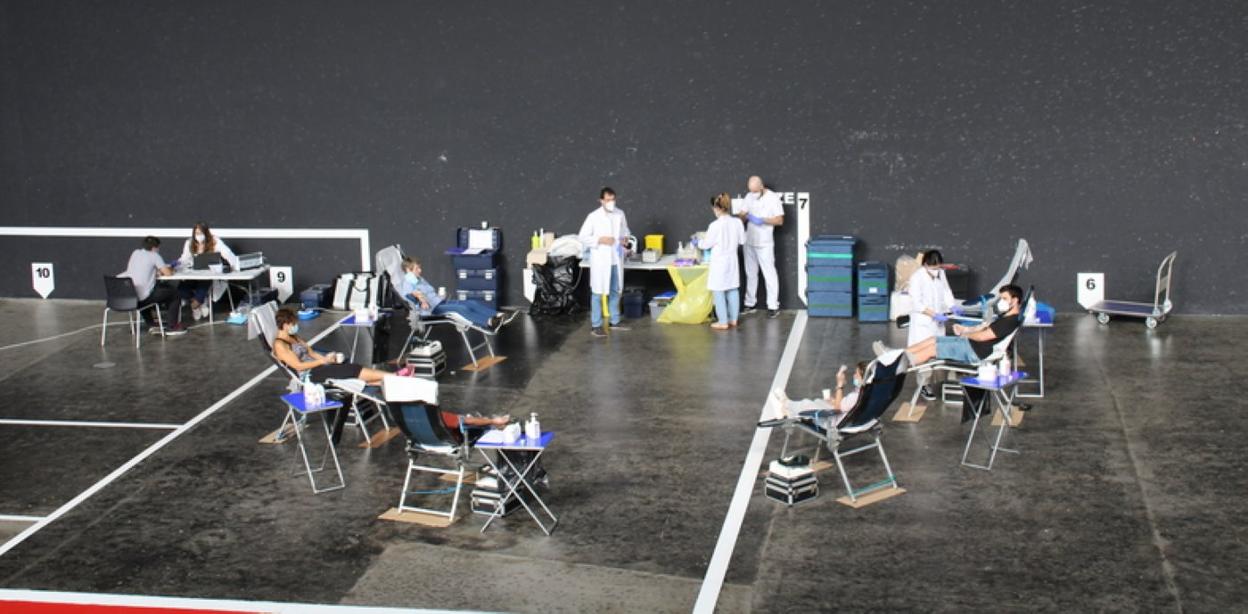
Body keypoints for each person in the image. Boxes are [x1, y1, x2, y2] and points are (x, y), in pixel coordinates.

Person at [875, 285, 1024, 367]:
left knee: (932, 350)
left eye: (1004, 298)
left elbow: (982, 337)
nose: (1001, 302)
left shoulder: (1009, 321)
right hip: (971, 344)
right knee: (933, 339)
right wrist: (966, 329)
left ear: (1015, 300)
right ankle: (894, 355)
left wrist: (965, 334)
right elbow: (984, 328)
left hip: (976, 352)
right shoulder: (1005, 316)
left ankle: (894, 366)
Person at [272, 307, 387, 385]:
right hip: (309, 375)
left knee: (347, 365)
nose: (296, 326)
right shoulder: (280, 345)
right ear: (285, 325)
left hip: (317, 367)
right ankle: (391, 377)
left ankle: (385, 381)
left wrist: (327, 359)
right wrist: (322, 362)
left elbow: (312, 353)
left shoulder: (294, 337)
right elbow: (299, 366)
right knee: (351, 370)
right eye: (293, 324)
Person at [398, 256, 514, 330]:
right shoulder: (407, 283)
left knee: (471, 303)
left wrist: (439, 296)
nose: (420, 270)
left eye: (419, 268)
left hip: (439, 302)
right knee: (461, 309)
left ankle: (498, 315)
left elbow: (427, 292)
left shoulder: (418, 279)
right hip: (432, 310)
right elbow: (413, 294)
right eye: (417, 269)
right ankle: (489, 322)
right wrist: (422, 301)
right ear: (408, 270)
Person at [578, 186, 632, 337]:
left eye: (613, 199)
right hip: (601, 260)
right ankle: (596, 325)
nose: (611, 202)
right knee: (597, 292)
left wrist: (625, 238)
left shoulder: (620, 214)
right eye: (608, 200)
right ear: (601, 200)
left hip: (615, 259)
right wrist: (600, 239)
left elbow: (625, 230)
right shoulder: (593, 216)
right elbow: (582, 236)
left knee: (615, 291)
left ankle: (615, 321)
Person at [907, 250, 958, 400]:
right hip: (923, 323)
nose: (936, 270)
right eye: (933, 268)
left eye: (938, 267)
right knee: (922, 355)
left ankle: (933, 380)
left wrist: (952, 306)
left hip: (937, 323)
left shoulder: (941, 273)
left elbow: (946, 291)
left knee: (936, 352)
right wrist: (933, 314)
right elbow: (917, 303)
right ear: (925, 264)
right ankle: (923, 385)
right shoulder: (917, 278)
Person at [737, 175, 784, 318]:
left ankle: (773, 306)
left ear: (762, 186)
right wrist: (744, 216)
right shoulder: (749, 196)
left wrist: (762, 220)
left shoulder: (773, 198)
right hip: (749, 241)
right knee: (750, 273)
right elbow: (741, 215)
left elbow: (779, 220)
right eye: (751, 191)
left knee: (769, 273)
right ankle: (750, 303)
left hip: (764, 243)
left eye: (755, 191)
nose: (753, 194)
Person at [121, 236, 186, 335]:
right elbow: (168, 273)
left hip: (132, 297)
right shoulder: (154, 255)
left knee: (144, 292)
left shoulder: (135, 253)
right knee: (174, 293)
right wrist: (171, 269)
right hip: (144, 298)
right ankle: (173, 326)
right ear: (155, 248)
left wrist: (154, 272)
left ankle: (151, 324)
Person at [700, 193, 746, 330]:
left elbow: (706, 245)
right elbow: (742, 240)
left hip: (719, 262)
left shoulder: (714, 225)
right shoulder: (737, 222)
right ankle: (733, 319)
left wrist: (698, 242)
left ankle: (723, 321)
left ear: (717, 208)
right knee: (732, 288)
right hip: (732, 260)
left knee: (718, 291)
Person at [177, 222, 240, 321]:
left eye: (201, 233)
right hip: (193, 274)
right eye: (196, 233)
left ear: (206, 233)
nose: (199, 236)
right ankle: (199, 303)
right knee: (182, 289)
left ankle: (195, 305)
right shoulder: (189, 242)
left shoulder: (214, 241)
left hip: (209, 274)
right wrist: (176, 265)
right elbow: (184, 259)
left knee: (204, 283)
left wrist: (235, 265)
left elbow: (227, 253)